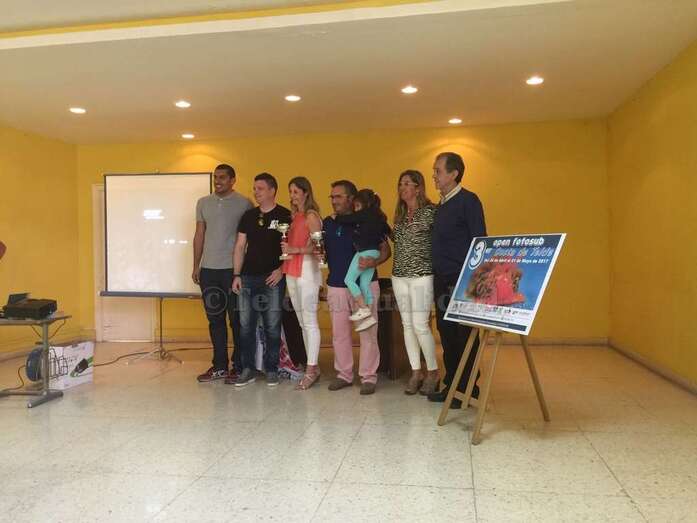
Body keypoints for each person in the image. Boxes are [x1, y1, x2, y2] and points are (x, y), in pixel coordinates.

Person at [429, 152, 487, 409]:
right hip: (441, 279)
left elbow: (480, 242)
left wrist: (472, 281)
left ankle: (468, 389)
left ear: (454, 174)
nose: (434, 176)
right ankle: (452, 385)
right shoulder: (441, 205)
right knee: (446, 333)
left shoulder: (468, 201)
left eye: (438, 171)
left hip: (461, 280)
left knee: (463, 335)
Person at [322, 181, 391, 395]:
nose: (334, 201)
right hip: (336, 285)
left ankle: (368, 376)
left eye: (338, 197)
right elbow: (322, 251)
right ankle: (344, 374)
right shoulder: (328, 222)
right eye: (332, 197)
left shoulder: (367, 219)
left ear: (351, 199)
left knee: (368, 332)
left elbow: (386, 250)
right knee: (339, 334)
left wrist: (374, 261)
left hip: (365, 284)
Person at [192, 164, 252, 383]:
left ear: (233, 180)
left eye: (222, 177)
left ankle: (239, 365)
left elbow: (248, 239)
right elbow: (199, 234)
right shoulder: (203, 203)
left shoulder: (244, 203)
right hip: (209, 271)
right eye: (215, 177)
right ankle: (219, 366)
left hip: (232, 271)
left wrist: (242, 271)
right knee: (215, 320)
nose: (217, 181)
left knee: (236, 320)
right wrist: (196, 265)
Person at [231, 173, 291, 387]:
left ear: (272, 190)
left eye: (260, 188)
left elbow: (292, 248)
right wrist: (236, 275)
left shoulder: (285, 215)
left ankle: (272, 369)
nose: (256, 192)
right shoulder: (248, 216)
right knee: (245, 325)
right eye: (255, 188)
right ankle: (248, 369)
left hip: (273, 278)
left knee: (272, 325)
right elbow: (240, 246)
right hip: (248, 277)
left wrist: (281, 270)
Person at [390, 170, 439, 395]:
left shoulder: (431, 211)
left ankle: (433, 372)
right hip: (399, 275)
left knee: (420, 325)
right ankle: (416, 372)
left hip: (422, 275)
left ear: (418, 188)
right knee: (407, 325)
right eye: (400, 184)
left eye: (407, 183)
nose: (402, 188)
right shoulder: (400, 215)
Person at [281, 177, 323, 390]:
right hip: (291, 270)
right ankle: (312, 366)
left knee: (310, 321)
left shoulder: (311, 216)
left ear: (306, 193)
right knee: (302, 323)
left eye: (296, 192)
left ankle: (311, 369)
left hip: (307, 271)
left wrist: (294, 250)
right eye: (291, 192)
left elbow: (318, 247)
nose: (292, 196)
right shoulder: (295, 216)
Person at [336, 189, 391, 332]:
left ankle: (363, 308)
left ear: (366, 204)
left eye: (357, 206)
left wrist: (336, 217)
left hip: (364, 252)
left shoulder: (366, 213)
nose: (355, 210)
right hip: (374, 253)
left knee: (349, 280)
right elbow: (390, 233)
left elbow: (347, 219)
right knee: (364, 284)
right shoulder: (379, 217)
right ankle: (369, 317)